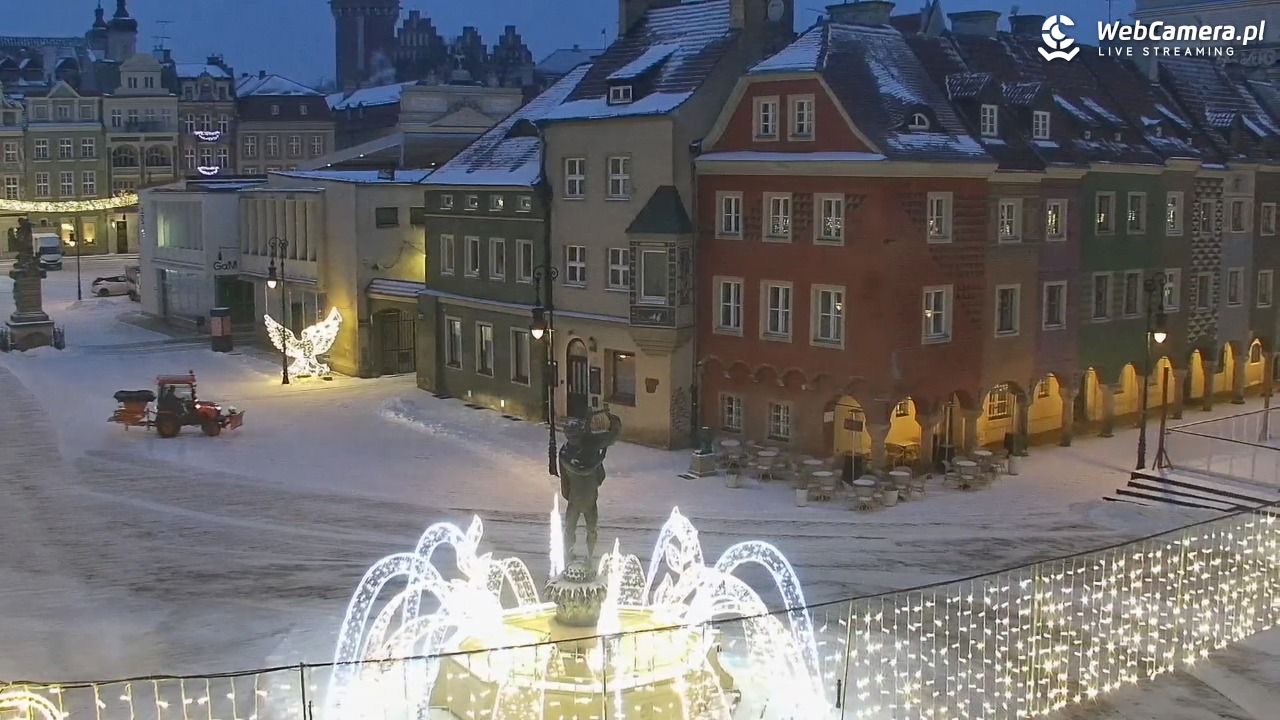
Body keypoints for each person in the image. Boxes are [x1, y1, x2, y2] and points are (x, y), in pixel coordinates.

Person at [559, 406, 621, 561]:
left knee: (572, 529)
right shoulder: (590, 447)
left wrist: (610, 418)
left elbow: (565, 480)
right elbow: (613, 435)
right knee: (588, 529)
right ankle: (587, 556)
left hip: (575, 498)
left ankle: (572, 555)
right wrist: (610, 418)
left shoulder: (565, 453)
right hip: (588, 497)